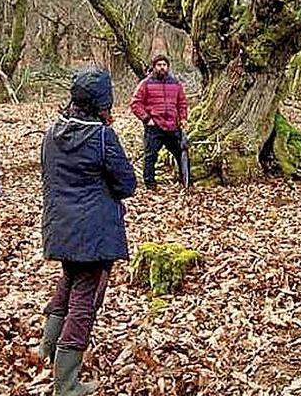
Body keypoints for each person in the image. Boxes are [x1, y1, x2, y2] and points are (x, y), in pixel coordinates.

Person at [38, 68, 136, 395]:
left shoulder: (52, 133)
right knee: (85, 299)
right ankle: (65, 384)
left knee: (70, 280)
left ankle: (46, 350)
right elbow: (126, 183)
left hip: (60, 226)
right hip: (93, 230)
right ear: (101, 102)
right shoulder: (102, 136)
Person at [130, 54, 188, 189]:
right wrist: (146, 119)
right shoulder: (146, 83)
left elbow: (182, 103)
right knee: (150, 156)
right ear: (154, 67)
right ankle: (150, 184)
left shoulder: (175, 84)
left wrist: (183, 118)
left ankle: (185, 181)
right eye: (159, 65)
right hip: (154, 126)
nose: (162, 68)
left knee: (181, 153)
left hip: (173, 126)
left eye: (164, 65)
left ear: (168, 67)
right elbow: (135, 104)